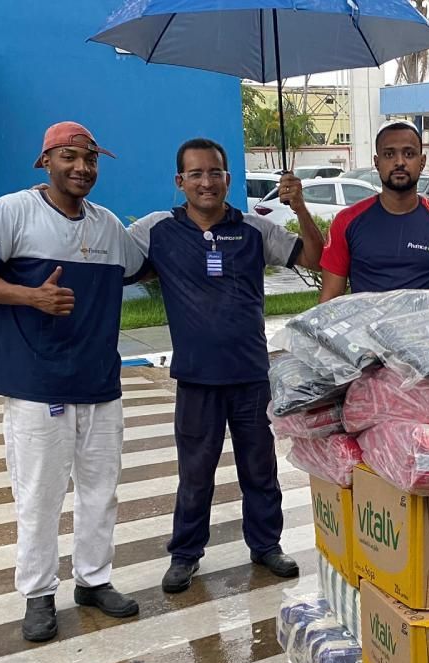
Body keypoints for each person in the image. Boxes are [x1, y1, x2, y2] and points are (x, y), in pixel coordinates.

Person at [0, 122, 148, 643]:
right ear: (46, 162)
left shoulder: (107, 225)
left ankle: (93, 579)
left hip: (99, 384)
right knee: (39, 496)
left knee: (100, 492)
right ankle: (39, 594)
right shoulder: (12, 211)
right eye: (70, 156)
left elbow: (144, 267)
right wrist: (30, 296)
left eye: (90, 158)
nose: (82, 167)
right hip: (36, 384)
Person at [129, 138, 323, 591]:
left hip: (252, 375)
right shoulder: (156, 230)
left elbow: (315, 258)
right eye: (195, 174)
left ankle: (266, 545)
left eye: (214, 172)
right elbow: (115, 263)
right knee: (195, 474)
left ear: (228, 179)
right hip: (197, 378)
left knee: (260, 469)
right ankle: (185, 554)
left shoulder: (254, 229)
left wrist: (300, 207)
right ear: (180, 182)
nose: (206, 182)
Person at [319, 120, 429, 300]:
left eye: (409, 153)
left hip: (424, 327)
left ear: (422, 162)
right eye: (389, 154)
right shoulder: (345, 222)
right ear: (377, 162)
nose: (399, 162)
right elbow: (328, 303)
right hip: (365, 328)